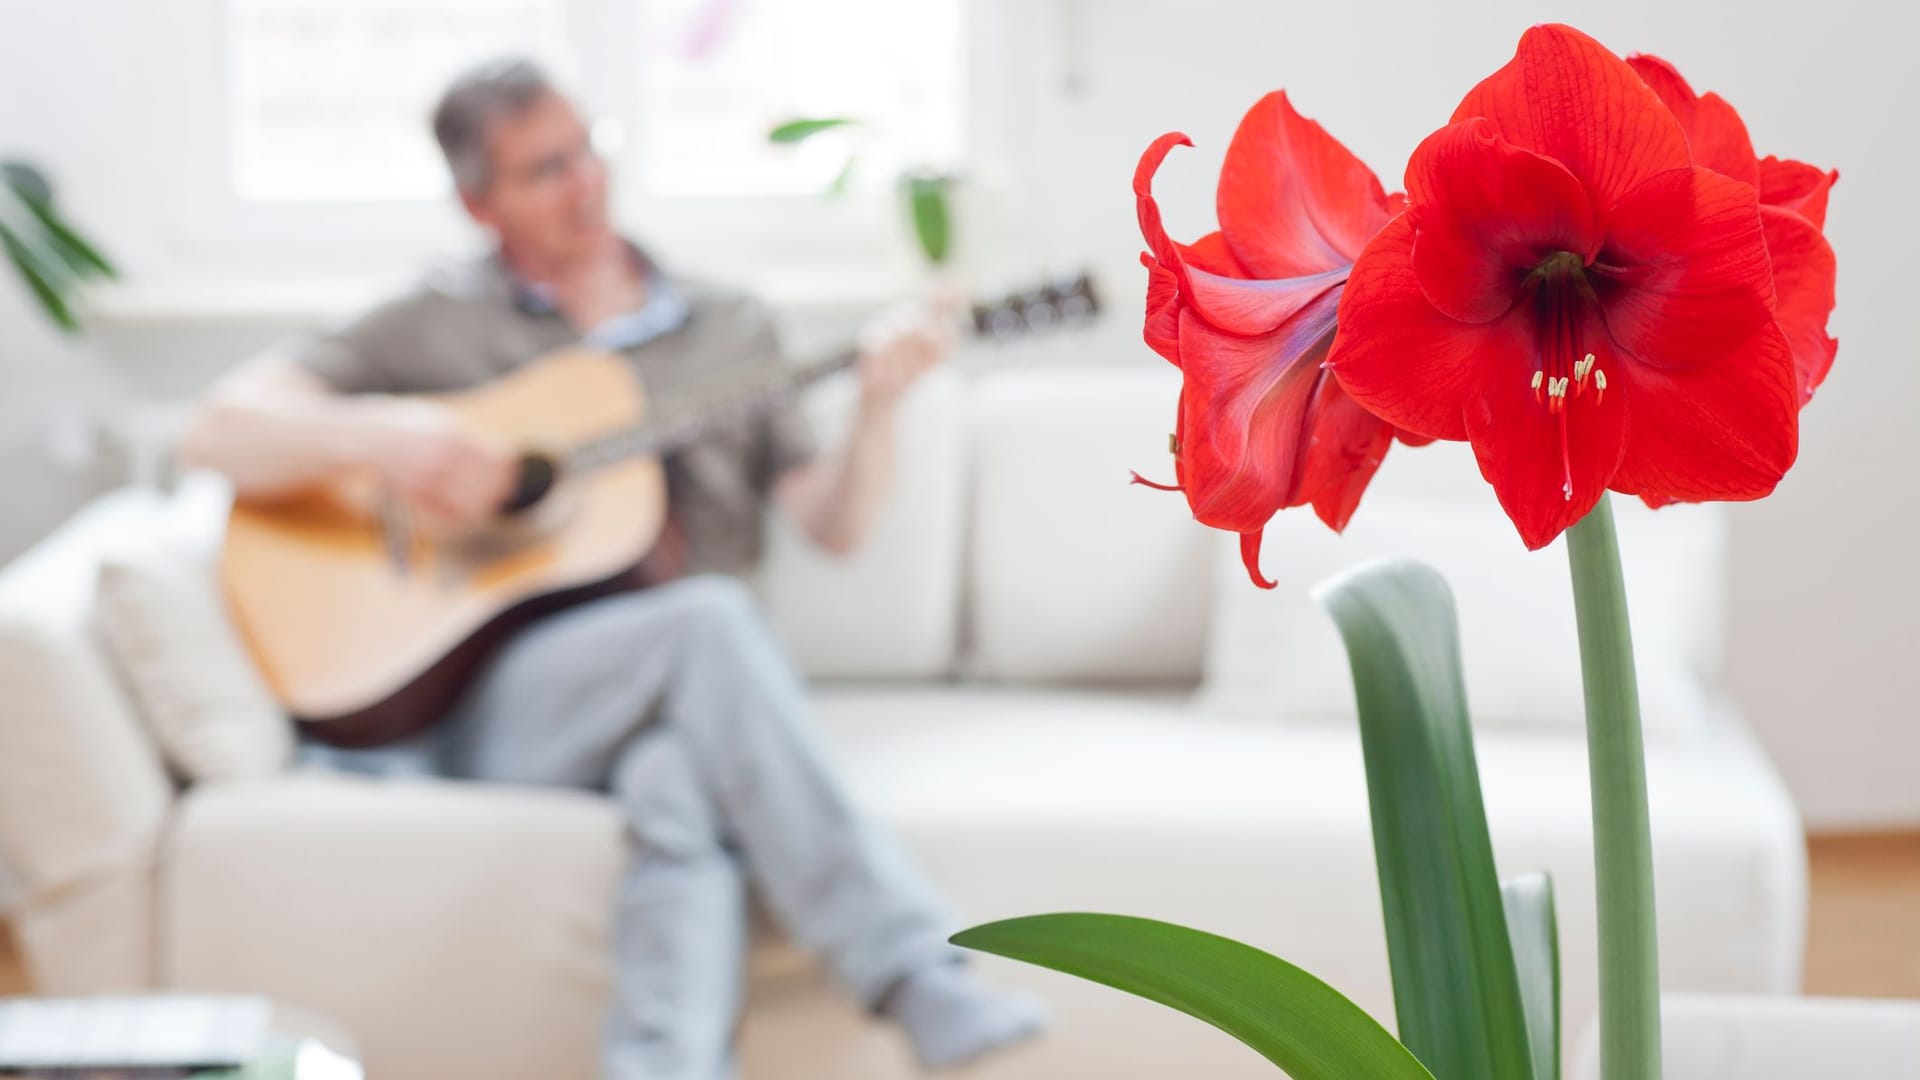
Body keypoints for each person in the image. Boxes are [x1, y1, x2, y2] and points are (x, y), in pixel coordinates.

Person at [177, 57, 1044, 1080]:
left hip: (683, 696)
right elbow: (219, 429)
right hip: (490, 696)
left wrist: (882, 409)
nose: (585, 183)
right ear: (477, 202)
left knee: (675, 784)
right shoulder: (432, 319)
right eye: (545, 170)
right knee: (710, 621)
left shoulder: (731, 325)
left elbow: (835, 526)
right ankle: (910, 971)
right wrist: (392, 438)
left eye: (588, 150)